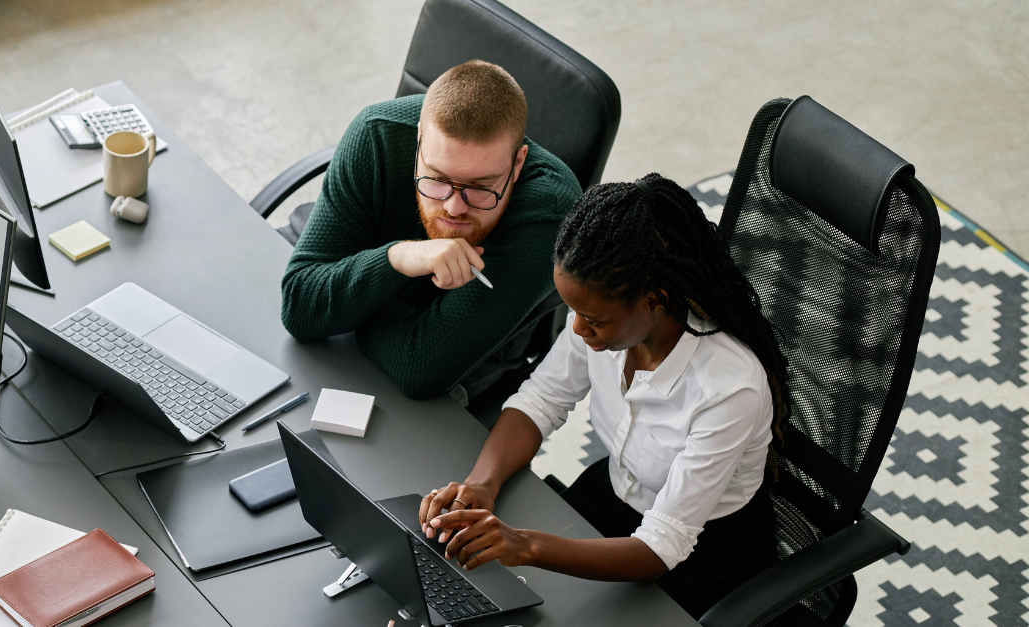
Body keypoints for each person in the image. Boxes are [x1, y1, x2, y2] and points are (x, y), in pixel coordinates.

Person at [416, 175, 789, 619]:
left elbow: (660, 548)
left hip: (702, 558)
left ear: (655, 301)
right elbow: (541, 401)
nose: (576, 329)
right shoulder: (603, 323)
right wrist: (482, 483)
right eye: (574, 310)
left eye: (593, 319)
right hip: (612, 498)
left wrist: (525, 544)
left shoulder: (729, 390)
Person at [280, 60, 582, 401]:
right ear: (419, 138)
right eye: (437, 179)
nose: (454, 208)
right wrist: (396, 257)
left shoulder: (552, 209)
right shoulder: (376, 133)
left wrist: (349, 305)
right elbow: (300, 306)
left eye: (481, 187)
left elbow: (419, 367)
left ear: (517, 163)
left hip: (467, 372)